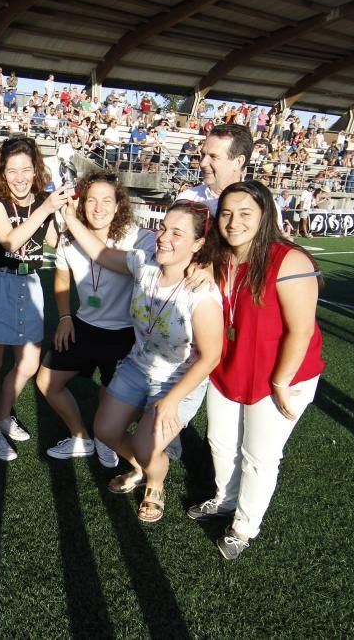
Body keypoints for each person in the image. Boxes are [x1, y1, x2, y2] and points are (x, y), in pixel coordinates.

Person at [186, 180, 324, 561]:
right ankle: (225, 498)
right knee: (220, 440)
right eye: (227, 212)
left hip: (280, 374)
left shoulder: (289, 260)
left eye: (246, 213)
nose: (234, 221)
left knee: (259, 454)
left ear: (265, 216)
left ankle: (244, 527)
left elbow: (302, 329)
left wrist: (282, 381)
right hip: (231, 364)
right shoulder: (219, 256)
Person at [61, 198, 222, 521]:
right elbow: (102, 254)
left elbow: (210, 356)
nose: (163, 237)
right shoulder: (143, 262)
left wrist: (172, 401)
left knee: (149, 448)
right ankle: (140, 466)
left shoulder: (201, 294)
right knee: (105, 430)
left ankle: (155, 483)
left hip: (179, 380)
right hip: (137, 366)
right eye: (163, 228)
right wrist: (69, 218)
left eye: (178, 233)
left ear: (199, 243)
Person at [0, 136, 71, 461]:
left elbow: (52, 239)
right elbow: (9, 242)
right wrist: (46, 208)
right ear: (2, 171)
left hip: (30, 281)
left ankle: (2, 415)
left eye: (26, 169)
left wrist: (63, 214)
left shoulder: (42, 199)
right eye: (13, 170)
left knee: (27, 363)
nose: (20, 177)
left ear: (36, 168)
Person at [35, 171, 139, 467]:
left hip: (123, 332)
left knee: (111, 394)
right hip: (83, 325)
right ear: (82, 204)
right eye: (91, 200)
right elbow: (61, 277)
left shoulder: (134, 237)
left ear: (119, 205)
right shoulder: (69, 240)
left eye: (107, 200)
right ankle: (81, 437)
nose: (98, 207)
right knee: (46, 381)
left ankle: (106, 438)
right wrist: (65, 316)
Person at [179, 124, 252, 216]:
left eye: (213, 157)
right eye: (203, 155)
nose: (203, 163)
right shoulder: (186, 199)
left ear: (238, 162)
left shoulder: (261, 206)